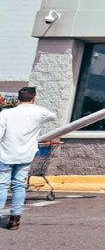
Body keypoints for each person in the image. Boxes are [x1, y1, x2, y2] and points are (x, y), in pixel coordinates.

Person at [0, 87, 56, 230]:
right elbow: (53, 116)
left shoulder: (6, 113)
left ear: (18, 99)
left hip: (5, 154)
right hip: (25, 154)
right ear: (33, 98)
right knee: (19, 185)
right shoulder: (39, 112)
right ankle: (14, 219)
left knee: (2, 185)